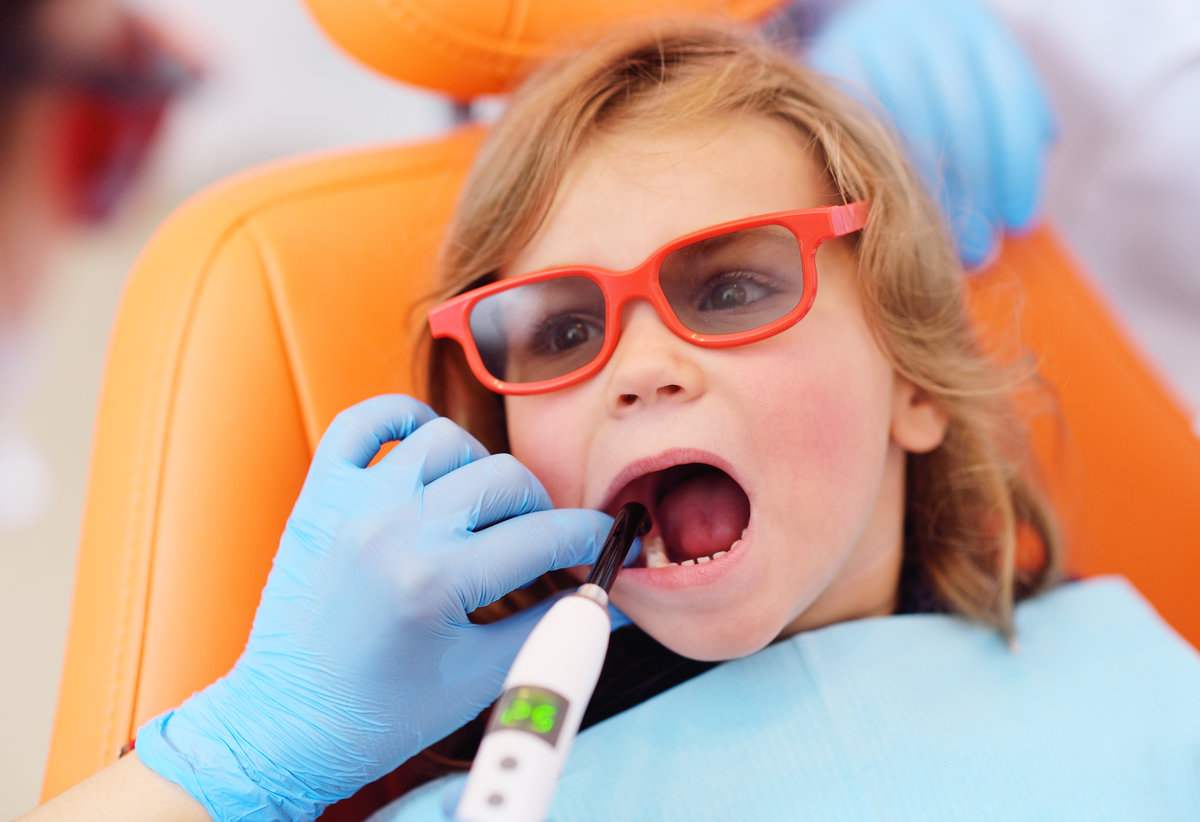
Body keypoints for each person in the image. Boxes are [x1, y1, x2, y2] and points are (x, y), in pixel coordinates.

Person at [24, 9, 1198, 822]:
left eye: (732, 285)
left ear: (918, 383)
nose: (639, 369)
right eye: (566, 332)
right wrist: (235, 762)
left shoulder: (1138, 678)